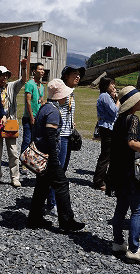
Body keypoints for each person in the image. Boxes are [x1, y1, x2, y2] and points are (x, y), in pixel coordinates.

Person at [108, 86, 140, 264]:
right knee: (137, 209)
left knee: (121, 206)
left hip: (118, 171)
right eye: (139, 99)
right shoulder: (133, 119)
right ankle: (134, 249)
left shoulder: (119, 119)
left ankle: (117, 242)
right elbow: (132, 142)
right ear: (132, 102)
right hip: (130, 171)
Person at [26, 79, 85, 232]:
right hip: (49, 156)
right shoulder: (53, 111)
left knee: (42, 187)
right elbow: (50, 136)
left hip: (41, 155)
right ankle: (67, 221)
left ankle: (34, 218)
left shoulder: (44, 107)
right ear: (59, 96)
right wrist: (53, 159)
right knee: (62, 185)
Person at [45, 65, 85, 215]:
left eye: (79, 74)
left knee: (62, 170)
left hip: (67, 136)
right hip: (59, 136)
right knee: (57, 170)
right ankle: (51, 203)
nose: (78, 76)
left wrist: (71, 122)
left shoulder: (71, 93)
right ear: (66, 76)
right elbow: (53, 111)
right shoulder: (61, 93)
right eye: (74, 74)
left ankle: (55, 200)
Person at [0, 62, 27, 187]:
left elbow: (23, 80)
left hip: (10, 122)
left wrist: (23, 67)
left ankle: (15, 177)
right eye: (2, 75)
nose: (5, 78)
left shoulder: (11, 87)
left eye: (6, 75)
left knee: (13, 151)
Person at [92, 76, 118, 191]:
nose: (113, 86)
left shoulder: (106, 96)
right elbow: (113, 111)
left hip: (107, 127)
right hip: (107, 128)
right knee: (106, 155)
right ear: (106, 85)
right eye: (111, 84)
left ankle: (104, 179)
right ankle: (98, 181)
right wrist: (118, 101)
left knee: (109, 154)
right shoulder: (105, 96)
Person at [20, 62, 45, 172]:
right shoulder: (30, 84)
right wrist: (31, 118)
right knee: (27, 140)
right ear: (34, 71)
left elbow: (41, 101)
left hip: (39, 118)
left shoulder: (42, 86)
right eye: (40, 69)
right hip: (29, 117)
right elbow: (28, 102)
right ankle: (23, 163)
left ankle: (32, 161)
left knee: (36, 141)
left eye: (43, 69)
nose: (42, 71)